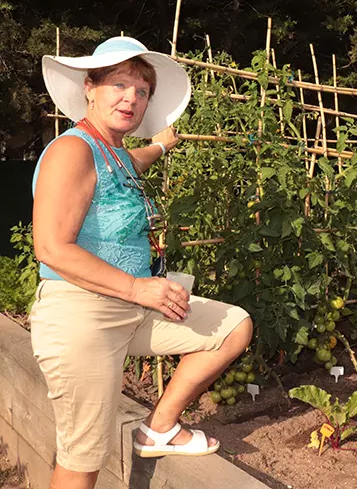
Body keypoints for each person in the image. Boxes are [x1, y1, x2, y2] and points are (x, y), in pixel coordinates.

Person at [31, 36, 253, 489]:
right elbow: (51, 247)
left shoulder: (116, 153)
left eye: (142, 91)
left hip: (133, 307)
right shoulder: (72, 151)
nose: (131, 98)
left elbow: (140, 156)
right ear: (90, 87)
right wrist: (137, 288)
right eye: (119, 84)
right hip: (82, 313)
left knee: (232, 326)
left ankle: (158, 429)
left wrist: (162, 144)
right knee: (82, 461)